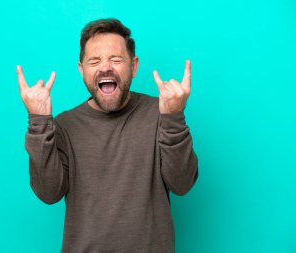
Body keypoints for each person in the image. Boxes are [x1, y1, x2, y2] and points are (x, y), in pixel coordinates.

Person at [17, 18, 198, 253]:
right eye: (94, 60)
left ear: (133, 67)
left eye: (115, 59)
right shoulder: (64, 125)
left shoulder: (162, 112)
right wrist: (39, 122)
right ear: (82, 70)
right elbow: (48, 194)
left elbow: (182, 184)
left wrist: (173, 118)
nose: (105, 67)